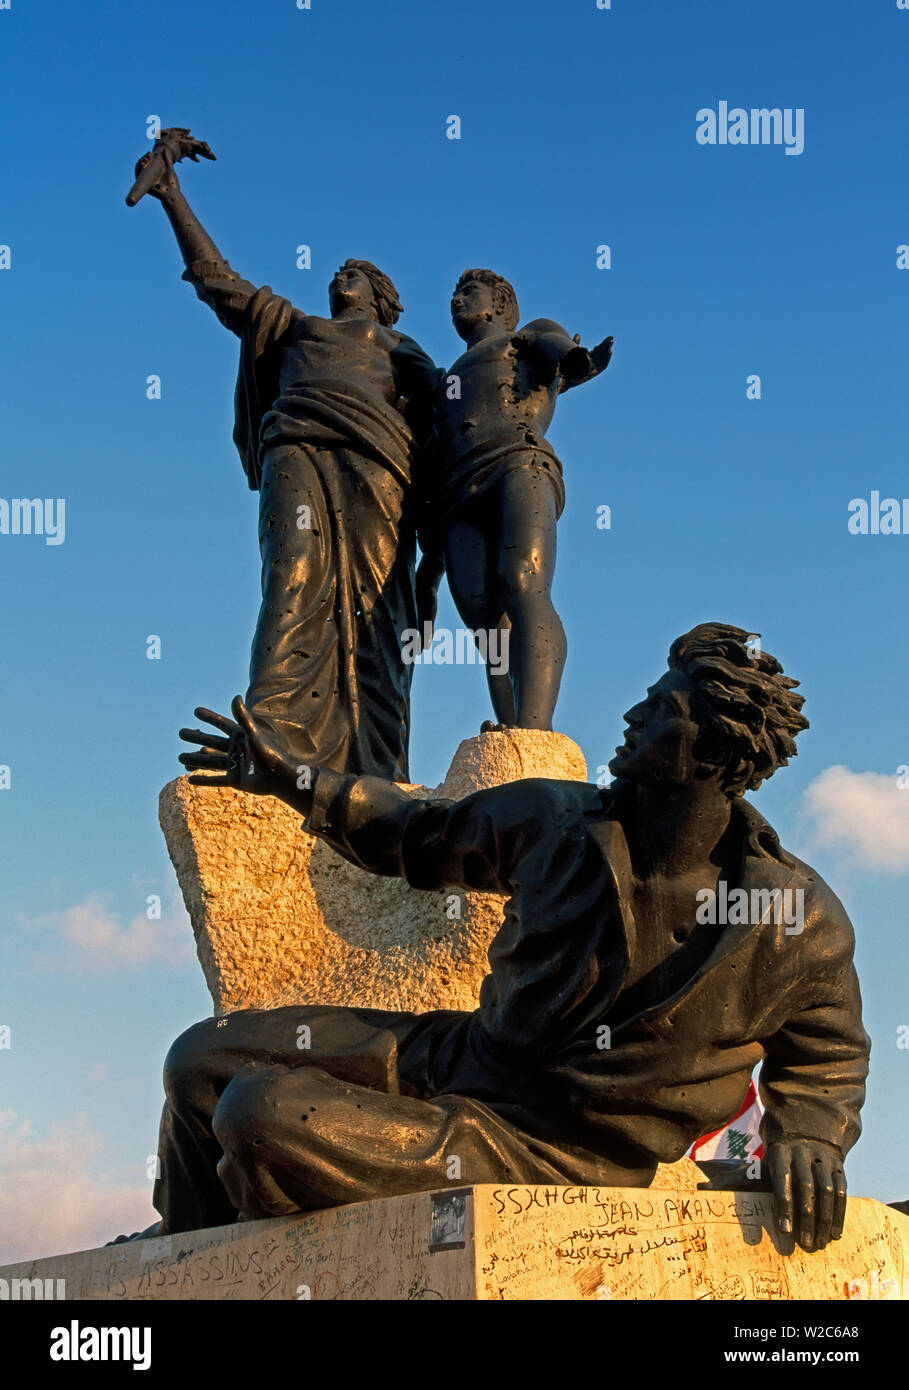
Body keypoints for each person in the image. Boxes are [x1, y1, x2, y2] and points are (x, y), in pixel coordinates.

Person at [151, 622, 869, 1254]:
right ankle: (185, 1256)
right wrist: (300, 784)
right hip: (464, 1055)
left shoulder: (796, 923)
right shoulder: (555, 819)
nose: (630, 714)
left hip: (553, 1149)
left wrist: (809, 1130)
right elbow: (416, 833)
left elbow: (827, 1055)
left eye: (659, 710)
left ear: (710, 753)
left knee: (258, 1113)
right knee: (200, 1059)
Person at [133, 138, 439, 779]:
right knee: (292, 578)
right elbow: (218, 284)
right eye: (337, 272)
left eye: (353, 273)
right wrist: (171, 196)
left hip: (379, 470)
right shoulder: (293, 326)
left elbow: (447, 424)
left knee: (377, 607)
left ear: (380, 297)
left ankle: (376, 768)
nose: (338, 278)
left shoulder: (401, 350)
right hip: (296, 448)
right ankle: (270, 738)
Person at [416, 269, 613, 729]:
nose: (455, 300)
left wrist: (575, 359)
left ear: (500, 302)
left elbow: (559, 352)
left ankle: (536, 729)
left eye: (469, 292)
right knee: (482, 614)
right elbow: (433, 450)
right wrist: (427, 571)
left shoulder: (528, 337)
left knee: (523, 580)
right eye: (453, 292)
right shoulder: (446, 381)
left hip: (518, 461)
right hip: (456, 492)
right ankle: (508, 729)